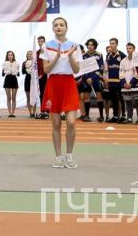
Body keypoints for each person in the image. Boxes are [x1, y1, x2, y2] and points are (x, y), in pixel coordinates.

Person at [40, 17, 81, 169]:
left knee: (71, 122)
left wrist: (69, 56)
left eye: (62, 25)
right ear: (53, 28)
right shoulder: (46, 46)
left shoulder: (74, 46)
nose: (59, 27)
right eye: (56, 25)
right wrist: (57, 56)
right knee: (56, 123)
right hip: (53, 84)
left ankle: (69, 156)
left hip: (69, 83)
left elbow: (76, 70)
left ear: (66, 28)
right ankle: (58, 157)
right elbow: (46, 69)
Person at [80, 39, 104, 122]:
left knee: (99, 96)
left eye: (92, 45)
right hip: (86, 80)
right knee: (86, 97)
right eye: (88, 45)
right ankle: (87, 115)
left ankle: (101, 116)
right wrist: (87, 78)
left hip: (96, 79)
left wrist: (92, 78)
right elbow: (82, 69)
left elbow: (101, 68)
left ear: (95, 46)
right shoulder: (83, 55)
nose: (90, 46)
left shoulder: (99, 55)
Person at [119, 43, 138, 125]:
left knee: (137, 102)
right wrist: (124, 83)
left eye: (130, 48)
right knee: (128, 101)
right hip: (125, 85)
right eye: (127, 48)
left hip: (135, 85)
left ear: (134, 49)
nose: (128, 50)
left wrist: (131, 83)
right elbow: (121, 73)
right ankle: (129, 118)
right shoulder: (123, 61)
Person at [103, 38, 125, 123]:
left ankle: (123, 116)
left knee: (121, 99)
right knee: (113, 99)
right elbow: (106, 69)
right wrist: (106, 80)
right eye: (110, 43)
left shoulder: (121, 55)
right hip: (111, 81)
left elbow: (124, 68)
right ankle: (115, 116)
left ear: (117, 44)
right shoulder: (108, 56)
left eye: (113, 43)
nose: (111, 45)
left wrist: (123, 80)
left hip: (119, 81)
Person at [2, 51, 19, 118]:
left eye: (11, 55)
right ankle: (10, 112)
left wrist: (15, 70)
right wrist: (5, 70)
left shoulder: (16, 63)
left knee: (13, 98)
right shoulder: (4, 63)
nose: (10, 56)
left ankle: (13, 112)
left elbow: (18, 74)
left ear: (13, 56)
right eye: (9, 55)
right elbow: (3, 74)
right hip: (7, 80)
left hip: (14, 80)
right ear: (7, 56)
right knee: (8, 98)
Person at [35, 36, 48, 119]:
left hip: (48, 75)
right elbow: (36, 64)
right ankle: (43, 111)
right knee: (42, 93)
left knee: (48, 93)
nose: (40, 43)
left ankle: (49, 111)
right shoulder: (36, 53)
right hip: (40, 76)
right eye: (39, 41)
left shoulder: (48, 51)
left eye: (42, 41)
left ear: (44, 42)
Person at [22, 50, 35, 118]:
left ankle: (34, 112)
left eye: (31, 54)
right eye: (28, 54)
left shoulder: (35, 62)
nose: (29, 55)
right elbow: (23, 72)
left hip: (34, 81)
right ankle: (30, 113)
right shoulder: (24, 63)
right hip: (27, 80)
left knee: (34, 97)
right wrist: (27, 68)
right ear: (26, 55)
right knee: (28, 97)